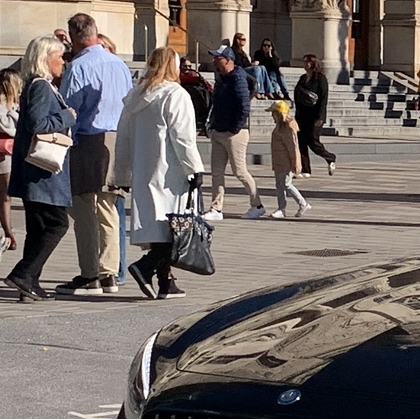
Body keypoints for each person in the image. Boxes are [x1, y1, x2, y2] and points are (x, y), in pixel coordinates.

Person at [110, 48, 205, 299]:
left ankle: (165, 281)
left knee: (159, 228)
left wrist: (123, 174)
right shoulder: (175, 94)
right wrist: (194, 167)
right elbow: (183, 138)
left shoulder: (135, 97)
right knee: (176, 228)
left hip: (144, 169)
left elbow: (124, 138)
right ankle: (146, 267)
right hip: (170, 171)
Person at [57, 14, 133, 296]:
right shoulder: (119, 64)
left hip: (87, 139)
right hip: (116, 139)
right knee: (109, 208)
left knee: (84, 208)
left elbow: (68, 109)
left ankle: (90, 274)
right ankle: (110, 273)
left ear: (74, 36)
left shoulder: (78, 66)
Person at [4, 35, 76, 302]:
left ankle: (30, 282)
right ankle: (23, 274)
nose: (63, 62)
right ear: (46, 58)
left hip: (34, 170)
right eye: (59, 56)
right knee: (57, 224)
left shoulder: (37, 85)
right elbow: (38, 124)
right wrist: (67, 116)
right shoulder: (41, 86)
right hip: (41, 170)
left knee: (37, 228)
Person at [204, 46, 265, 218]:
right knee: (216, 172)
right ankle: (216, 208)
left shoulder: (238, 78)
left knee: (239, 171)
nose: (215, 61)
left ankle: (257, 205)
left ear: (228, 60)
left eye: (218, 58)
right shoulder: (221, 78)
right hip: (218, 131)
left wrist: (235, 127)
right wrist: (212, 124)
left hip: (234, 134)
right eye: (215, 58)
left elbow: (244, 107)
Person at [0, 53, 25, 257]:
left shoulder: (15, 103)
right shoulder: (0, 104)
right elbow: (8, 127)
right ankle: (8, 233)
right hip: (4, 151)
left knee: (5, 193)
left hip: (13, 150)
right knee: (6, 194)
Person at [293, 53, 337, 175]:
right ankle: (305, 170)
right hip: (302, 115)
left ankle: (330, 157)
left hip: (315, 116)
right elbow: (297, 94)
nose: (304, 64)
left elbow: (323, 99)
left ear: (312, 64)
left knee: (313, 141)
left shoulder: (320, 79)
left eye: (306, 62)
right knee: (301, 141)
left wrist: (320, 117)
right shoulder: (302, 78)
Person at [266, 99, 310, 219]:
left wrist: (296, 163)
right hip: (279, 161)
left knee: (286, 184)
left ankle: (303, 203)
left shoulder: (288, 127)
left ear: (279, 114)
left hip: (286, 162)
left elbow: (293, 147)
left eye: (273, 113)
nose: (271, 116)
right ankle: (282, 208)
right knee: (279, 185)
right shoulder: (279, 127)